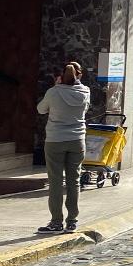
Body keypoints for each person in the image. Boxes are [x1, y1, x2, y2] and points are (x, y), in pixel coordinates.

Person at [36, 61, 90, 234]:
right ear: (79, 75)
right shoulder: (85, 92)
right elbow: (85, 109)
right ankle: (72, 221)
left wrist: (56, 87)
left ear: (60, 76)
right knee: (74, 181)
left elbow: (40, 110)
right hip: (77, 140)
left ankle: (56, 222)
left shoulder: (53, 92)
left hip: (55, 140)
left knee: (56, 182)